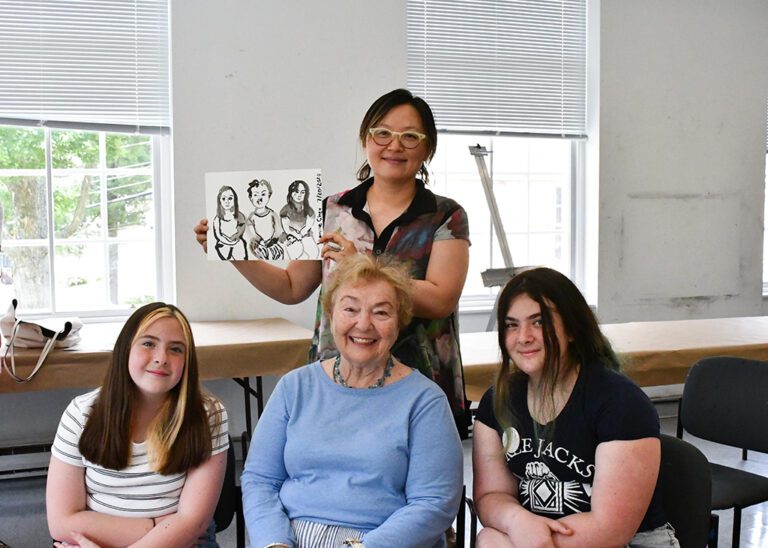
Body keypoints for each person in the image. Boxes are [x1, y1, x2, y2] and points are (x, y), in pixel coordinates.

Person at [194, 88, 471, 434]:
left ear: (428, 147)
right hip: (340, 377)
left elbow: (442, 299)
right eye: (382, 133)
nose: (394, 145)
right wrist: (234, 250)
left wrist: (364, 263)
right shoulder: (330, 210)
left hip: (420, 381)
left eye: (410, 137)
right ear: (365, 138)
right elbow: (293, 287)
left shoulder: (445, 215)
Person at [241, 253, 463, 548]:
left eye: (381, 313)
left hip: (378, 541)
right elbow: (260, 479)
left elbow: (434, 503)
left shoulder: (425, 401)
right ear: (331, 316)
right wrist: (274, 543)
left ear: (399, 323)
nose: (363, 324)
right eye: (350, 308)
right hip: (289, 539)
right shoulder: (294, 387)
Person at [472, 267, 680, 547]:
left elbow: (611, 530)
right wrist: (517, 521)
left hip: (628, 542)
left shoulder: (620, 402)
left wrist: (531, 540)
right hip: (536, 537)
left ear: (571, 329)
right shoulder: (498, 400)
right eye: (511, 324)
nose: (523, 337)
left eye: (538, 322)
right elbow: (490, 496)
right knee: (490, 537)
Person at [46, 302, 229, 548]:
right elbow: (61, 523)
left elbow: (192, 523)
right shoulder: (81, 413)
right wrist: (155, 525)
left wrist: (176, 525)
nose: (161, 358)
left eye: (176, 349)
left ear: (188, 362)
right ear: (125, 349)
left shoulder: (208, 415)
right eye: (148, 343)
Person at [246, 178, 285, 260]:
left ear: (269, 196)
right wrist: (259, 240)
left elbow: (278, 229)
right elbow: (251, 232)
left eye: (263, 194)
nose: (259, 198)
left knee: (278, 255)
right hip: (259, 246)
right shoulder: (251, 217)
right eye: (256, 195)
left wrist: (273, 240)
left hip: (272, 244)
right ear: (251, 198)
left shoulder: (272, 214)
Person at [279, 179, 319, 259]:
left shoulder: (307, 208)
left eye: (302, 192)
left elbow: (311, 219)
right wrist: (295, 235)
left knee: (314, 252)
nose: (299, 195)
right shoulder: (286, 209)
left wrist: (303, 231)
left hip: (304, 234)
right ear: (291, 193)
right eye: (296, 191)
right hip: (290, 235)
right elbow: (286, 227)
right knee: (296, 254)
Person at [212, 185, 248, 260]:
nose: (227, 201)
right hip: (223, 244)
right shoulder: (217, 219)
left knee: (241, 257)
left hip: (237, 243)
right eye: (223, 199)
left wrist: (237, 236)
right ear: (219, 200)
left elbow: (242, 227)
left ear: (235, 199)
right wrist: (228, 242)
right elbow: (218, 235)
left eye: (230, 198)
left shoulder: (239, 216)